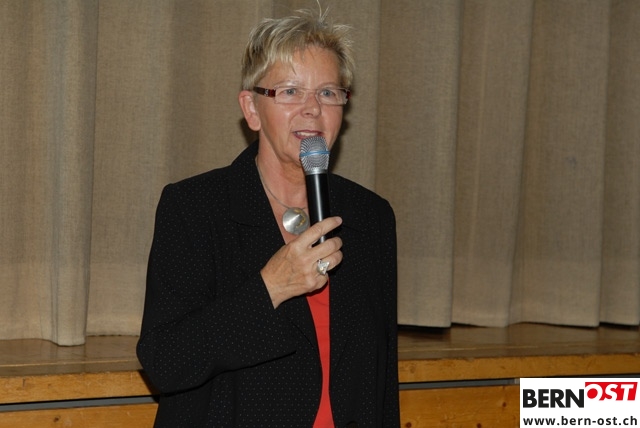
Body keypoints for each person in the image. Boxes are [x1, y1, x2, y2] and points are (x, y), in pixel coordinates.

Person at [137, 8, 399, 427]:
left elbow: (381, 380)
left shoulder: (370, 216)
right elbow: (165, 361)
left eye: (328, 92)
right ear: (252, 109)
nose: (312, 109)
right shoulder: (195, 208)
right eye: (291, 91)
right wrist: (270, 288)